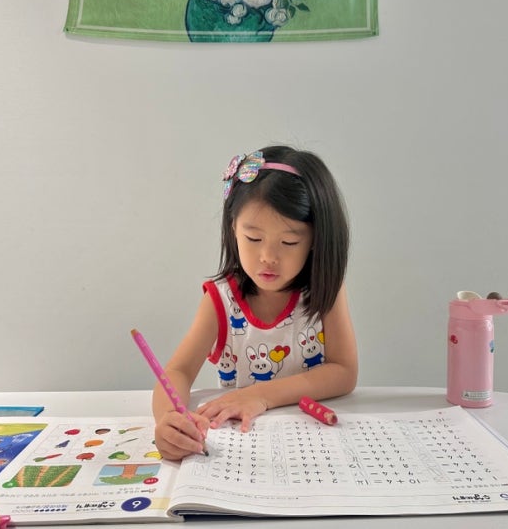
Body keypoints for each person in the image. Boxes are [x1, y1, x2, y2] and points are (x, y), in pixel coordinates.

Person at [152, 145, 357, 460]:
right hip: (243, 446)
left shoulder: (324, 291)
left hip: (313, 443)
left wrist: (260, 396)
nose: (268, 257)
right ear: (233, 227)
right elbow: (178, 371)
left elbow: (344, 372)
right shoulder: (221, 299)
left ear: (316, 239)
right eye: (253, 238)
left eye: (289, 242)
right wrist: (169, 419)